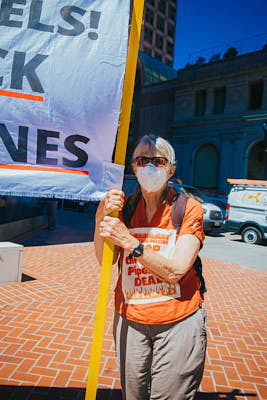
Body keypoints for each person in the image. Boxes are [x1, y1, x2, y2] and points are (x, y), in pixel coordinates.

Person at [94, 135, 207, 400]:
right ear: (133, 167)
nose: (149, 167)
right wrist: (101, 215)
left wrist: (130, 241)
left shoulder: (188, 209)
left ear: (171, 169)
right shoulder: (124, 208)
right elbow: (106, 261)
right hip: (130, 321)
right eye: (142, 160)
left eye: (157, 161)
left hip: (178, 320)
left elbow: (176, 270)